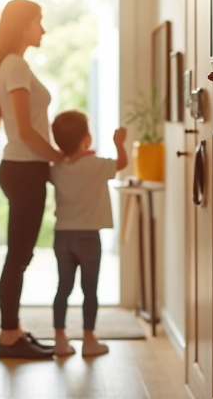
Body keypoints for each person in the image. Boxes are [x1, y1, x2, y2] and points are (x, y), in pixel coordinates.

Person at [0, 0, 65, 359]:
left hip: (22, 169)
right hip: (24, 169)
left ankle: (13, 330)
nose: (43, 30)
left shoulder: (11, 65)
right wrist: (59, 156)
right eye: (39, 21)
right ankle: (8, 337)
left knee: (19, 255)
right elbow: (24, 131)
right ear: (23, 26)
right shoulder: (15, 65)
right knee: (18, 256)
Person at [48, 110, 128, 357]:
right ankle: (89, 339)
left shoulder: (56, 169)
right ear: (87, 139)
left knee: (63, 287)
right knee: (89, 289)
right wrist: (119, 144)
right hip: (88, 238)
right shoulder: (96, 165)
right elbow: (122, 164)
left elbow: (57, 163)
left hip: (62, 235)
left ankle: (60, 339)